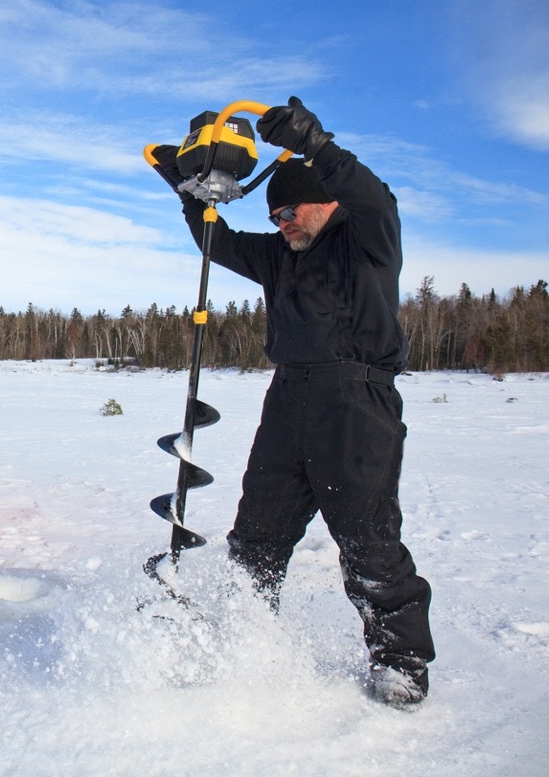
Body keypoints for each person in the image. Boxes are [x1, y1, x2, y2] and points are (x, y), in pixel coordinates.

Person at [164, 97, 435, 707]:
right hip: (287, 402)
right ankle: (245, 637)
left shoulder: (367, 241)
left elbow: (375, 196)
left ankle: (401, 662)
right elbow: (219, 243)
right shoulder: (279, 256)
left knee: (368, 542)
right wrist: (188, 196)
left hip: (357, 405)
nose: (282, 221)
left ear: (326, 202)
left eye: (291, 210)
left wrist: (317, 144)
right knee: (255, 536)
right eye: (275, 212)